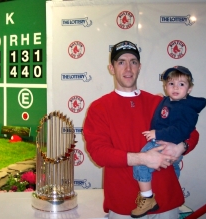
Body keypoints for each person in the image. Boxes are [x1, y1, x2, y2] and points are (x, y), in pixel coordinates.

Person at [83, 40, 200, 219]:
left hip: (166, 203)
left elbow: (192, 133)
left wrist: (181, 147)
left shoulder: (159, 102)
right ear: (112, 68)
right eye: (121, 62)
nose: (128, 68)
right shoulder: (99, 108)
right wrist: (143, 159)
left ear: (139, 67)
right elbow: (99, 153)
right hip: (124, 206)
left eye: (133, 62)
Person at [131, 66, 206, 218]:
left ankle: (147, 197)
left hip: (161, 142)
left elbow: (187, 132)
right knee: (173, 169)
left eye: (181, 84)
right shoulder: (165, 101)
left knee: (140, 163)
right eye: (171, 84)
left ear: (189, 89)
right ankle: (166, 191)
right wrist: (161, 100)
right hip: (163, 144)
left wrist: (181, 146)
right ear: (165, 87)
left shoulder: (187, 108)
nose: (176, 87)